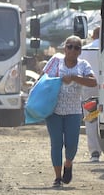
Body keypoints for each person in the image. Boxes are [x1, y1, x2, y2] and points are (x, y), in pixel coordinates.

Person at [41, 35, 97, 187]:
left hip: (73, 111)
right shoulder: (55, 61)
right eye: (69, 46)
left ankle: (68, 163)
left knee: (72, 144)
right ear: (64, 48)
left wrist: (74, 77)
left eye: (76, 47)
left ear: (80, 51)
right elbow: (42, 79)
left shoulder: (83, 65)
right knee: (56, 143)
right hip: (53, 110)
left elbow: (93, 82)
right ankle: (57, 177)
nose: (72, 50)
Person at [80, 27, 102, 162]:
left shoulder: (85, 50)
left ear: (93, 36)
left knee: (91, 119)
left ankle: (95, 152)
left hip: (89, 89)